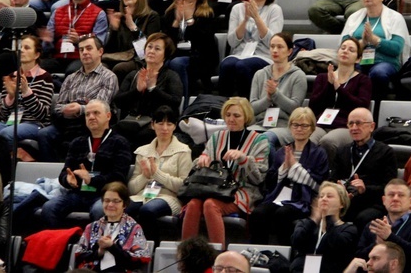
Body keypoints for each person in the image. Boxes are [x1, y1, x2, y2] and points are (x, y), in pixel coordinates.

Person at [181, 98, 269, 245]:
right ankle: (186, 253)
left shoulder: (260, 141)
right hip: (214, 187)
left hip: (242, 189)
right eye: (228, 115)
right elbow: (199, 163)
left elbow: (258, 179)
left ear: (246, 117)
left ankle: (218, 254)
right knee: (193, 204)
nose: (231, 119)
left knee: (210, 205)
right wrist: (202, 159)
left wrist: (244, 159)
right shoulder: (217, 137)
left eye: (236, 115)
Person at [40, 99, 133, 228]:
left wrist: (92, 180)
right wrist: (67, 180)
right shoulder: (77, 142)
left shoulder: (120, 142)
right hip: (78, 193)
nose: (91, 117)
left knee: (99, 210)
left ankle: (94, 246)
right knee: (49, 207)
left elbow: (119, 177)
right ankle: (63, 242)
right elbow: (64, 172)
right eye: (88, 114)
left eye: (96, 113)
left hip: (104, 195)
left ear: (108, 116)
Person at [249, 107, 328, 245]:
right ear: (290, 127)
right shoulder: (282, 151)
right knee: (258, 213)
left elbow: (318, 185)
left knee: (282, 214)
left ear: (312, 129)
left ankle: (284, 254)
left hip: (303, 199)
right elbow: (271, 181)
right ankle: (258, 251)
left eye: (304, 125)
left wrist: (295, 167)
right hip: (279, 196)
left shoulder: (319, 153)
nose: (299, 129)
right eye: (295, 125)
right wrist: (285, 167)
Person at [36, 35, 119, 162]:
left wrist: (79, 109)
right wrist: (66, 109)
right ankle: (52, 171)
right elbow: (58, 106)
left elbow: (102, 107)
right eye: (81, 50)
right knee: (44, 134)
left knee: (83, 134)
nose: (84, 52)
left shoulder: (109, 77)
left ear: (100, 52)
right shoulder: (71, 78)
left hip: (90, 124)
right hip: (67, 123)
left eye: (89, 48)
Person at [127, 106, 193, 243]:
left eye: (169, 124)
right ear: (152, 125)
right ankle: (128, 247)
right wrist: (144, 176)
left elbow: (184, 186)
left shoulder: (183, 151)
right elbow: (132, 188)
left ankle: (150, 249)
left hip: (169, 197)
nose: (165, 128)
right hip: (143, 195)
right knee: (126, 208)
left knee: (148, 211)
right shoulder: (142, 151)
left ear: (175, 126)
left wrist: (157, 174)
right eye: (160, 123)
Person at [341, 0, 410, 102]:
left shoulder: (395, 17)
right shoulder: (354, 18)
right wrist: (362, 43)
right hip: (359, 62)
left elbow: (396, 49)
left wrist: (375, 40)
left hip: (386, 62)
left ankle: (376, 110)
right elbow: (344, 45)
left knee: (378, 73)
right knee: (349, 73)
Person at [113, 33, 183, 150]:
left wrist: (153, 89)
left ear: (165, 55)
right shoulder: (133, 74)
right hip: (131, 121)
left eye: (157, 49)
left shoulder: (171, 76)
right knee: (114, 134)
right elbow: (118, 102)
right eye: (149, 47)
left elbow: (175, 102)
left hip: (155, 124)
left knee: (143, 136)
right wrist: (137, 90)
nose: (151, 51)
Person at [219, 0, 284, 97]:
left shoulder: (274, 10)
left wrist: (256, 18)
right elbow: (232, 42)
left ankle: (247, 107)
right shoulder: (237, 9)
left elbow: (273, 42)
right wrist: (245, 20)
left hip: (263, 55)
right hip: (239, 54)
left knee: (243, 66)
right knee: (227, 65)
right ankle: (222, 107)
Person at [333, 107, 397, 229]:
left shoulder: (386, 152)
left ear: (372, 127)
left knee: (362, 218)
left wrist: (365, 189)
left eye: (359, 123)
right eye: (350, 123)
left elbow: (389, 187)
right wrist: (338, 188)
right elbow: (332, 179)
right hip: (345, 201)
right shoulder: (343, 151)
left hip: (373, 203)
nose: (354, 127)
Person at [310, 37, 371, 162]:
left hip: (345, 126)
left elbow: (361, 106)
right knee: (308, 139)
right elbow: (313, 106)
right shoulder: (322, 77)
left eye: (351, 50)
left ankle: (326, 177)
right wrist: (329, 85)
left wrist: (339, 88)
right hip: (321, 123)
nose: (345, 51)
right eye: (342, 48)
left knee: (328, 141)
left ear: (358, 59)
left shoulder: (363, 80)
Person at [162, 0, 218, 105]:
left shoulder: (207, 13)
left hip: (201, 57)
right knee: (164, 63)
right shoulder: (171, 12)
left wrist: (189, 20)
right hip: (177, 54)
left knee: (177, 63)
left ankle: (183, 104)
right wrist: (176, 22)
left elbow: (205, 44)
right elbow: (166, 41)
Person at [355, 180, 411, 273]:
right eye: (391, 195)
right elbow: (359, 259)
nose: (395, 198)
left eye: (401, 195)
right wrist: (376, 244)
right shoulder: (373, 225)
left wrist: (390, 237)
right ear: (384, 200)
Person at [42, 0, 108, 74]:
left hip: (82, 58)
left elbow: (99, 44)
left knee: (72, 71)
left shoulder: (99, 14)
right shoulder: (58, 12)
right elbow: (46, 48)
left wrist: (79, 40)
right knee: (38, 69)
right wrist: (47, 40)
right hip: (58, 56)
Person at [74, 181, 152, 271]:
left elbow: (138, 261)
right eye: (106, 201)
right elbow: (79, 256)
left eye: (116, 201)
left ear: (124, 204)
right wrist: (99, 252)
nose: (110, 205)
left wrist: (112, 247)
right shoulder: (91, 227)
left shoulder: (134, 228)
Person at [249, 33, 307, 146]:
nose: (275, 50)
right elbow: (252, 109)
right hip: (260, 124)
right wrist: (268, 98)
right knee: (242, 136)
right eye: (272, 46)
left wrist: (275, 94)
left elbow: (295, 109)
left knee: (265, 139)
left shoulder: (298, 75)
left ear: (289, 51)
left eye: (280, 47)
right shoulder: (260, 74)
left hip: (285, 126)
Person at [0, 35, 54, 144]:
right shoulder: (11, 77)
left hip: (34, 124)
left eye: (27, 48)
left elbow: (42, 114)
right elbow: (2, 114)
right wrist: (11, 97)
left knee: (5, 133)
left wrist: (27, 92)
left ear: (36, 54)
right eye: (20, 47)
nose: (21, 50)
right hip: (11, 122)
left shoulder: (45, 77)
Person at [290, 182, 358, 273]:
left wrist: (329, 220)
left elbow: (338, 246)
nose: (324, 199)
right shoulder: (305, 223)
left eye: (329, 196)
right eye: (321, 196)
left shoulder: (349, 229)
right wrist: (314, 220)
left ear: (342, 203)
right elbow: (296, 242)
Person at [103, 0, 161, 81]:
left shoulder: (152, 17)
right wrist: (114, 29)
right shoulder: (120, 18)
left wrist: (133, 27)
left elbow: (147, 49)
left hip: (140, 59)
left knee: (120, 68)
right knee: (101, 66)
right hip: (121, 57)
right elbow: (110, 50)